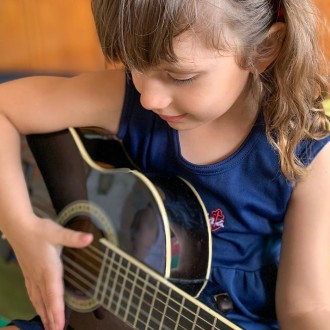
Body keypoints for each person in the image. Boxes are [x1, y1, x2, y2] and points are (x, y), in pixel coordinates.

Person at [0, 0, 330, 329]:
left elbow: (305, 309)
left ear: (263, 49)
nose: (149, 98)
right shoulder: (131, 101)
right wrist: (21, 230)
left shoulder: (303, 150)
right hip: (102, 310)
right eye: (133, 65)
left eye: (180, 76)